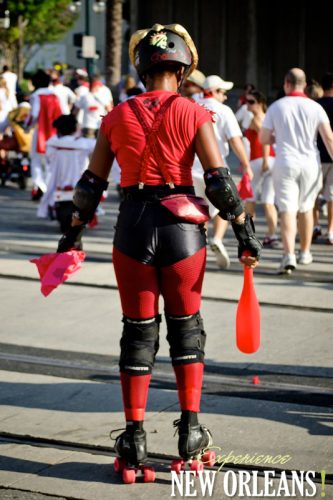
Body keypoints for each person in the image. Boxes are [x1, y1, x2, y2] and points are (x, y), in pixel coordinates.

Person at [56, 23, 261, 478]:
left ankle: (132, 444)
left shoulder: (116, 116)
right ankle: (190, 437)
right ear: (183, 66)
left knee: (137, 332)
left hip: (132, 229)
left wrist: (70, 235)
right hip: (182, 230)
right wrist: (244, 229)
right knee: (187, 331)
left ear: (141, 68)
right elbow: (218, 182)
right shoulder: (195, 111)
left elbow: (89, 186)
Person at [260, 68, 333, 274]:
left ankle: (289, 254)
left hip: (285, 163)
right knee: (307, 208)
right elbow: (328, 138)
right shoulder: (316, 107)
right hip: (310, 163)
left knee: (287, 210)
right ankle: (305, 252)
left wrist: (280, 138)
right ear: (304, 85)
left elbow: (264, 138)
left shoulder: (276, 107)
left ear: (286, 84)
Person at [192, 74, 253, 269]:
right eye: (223, 92)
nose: (225, 97)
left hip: (192, 168)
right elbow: (235, 139)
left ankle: (198, 248)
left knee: (199, 212)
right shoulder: (224, 111)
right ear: (214, 92)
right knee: (226, 207)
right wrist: (246, 164)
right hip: (217, 170)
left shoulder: (191, 105)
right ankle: (217, 238)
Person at [243, 90, 278, 247]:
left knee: (250, 199)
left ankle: (250, 234)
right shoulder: (268, 119)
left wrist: (264, 160)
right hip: (272, 160)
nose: (247, 105)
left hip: (259, 161)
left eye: (251, 102)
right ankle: (272, 235)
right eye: (247, 101)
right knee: (268, 201)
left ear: (261, 103)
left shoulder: (256, 119)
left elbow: (264, 142)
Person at [28, 70, 62, 198]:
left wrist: (26, 125)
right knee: (49, 163)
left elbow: (34, 114)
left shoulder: (36, 95)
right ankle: (49, 187)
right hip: (53, 133)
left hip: (40, 133)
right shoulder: (54, 95)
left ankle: (41, 186)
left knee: (36, 161)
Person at [313, 73, 333, 245]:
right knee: (331, 195)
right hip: (331, 156)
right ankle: (331, 230)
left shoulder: (315, 106)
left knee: (314, 195)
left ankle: (316, 225)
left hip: (316, 155)